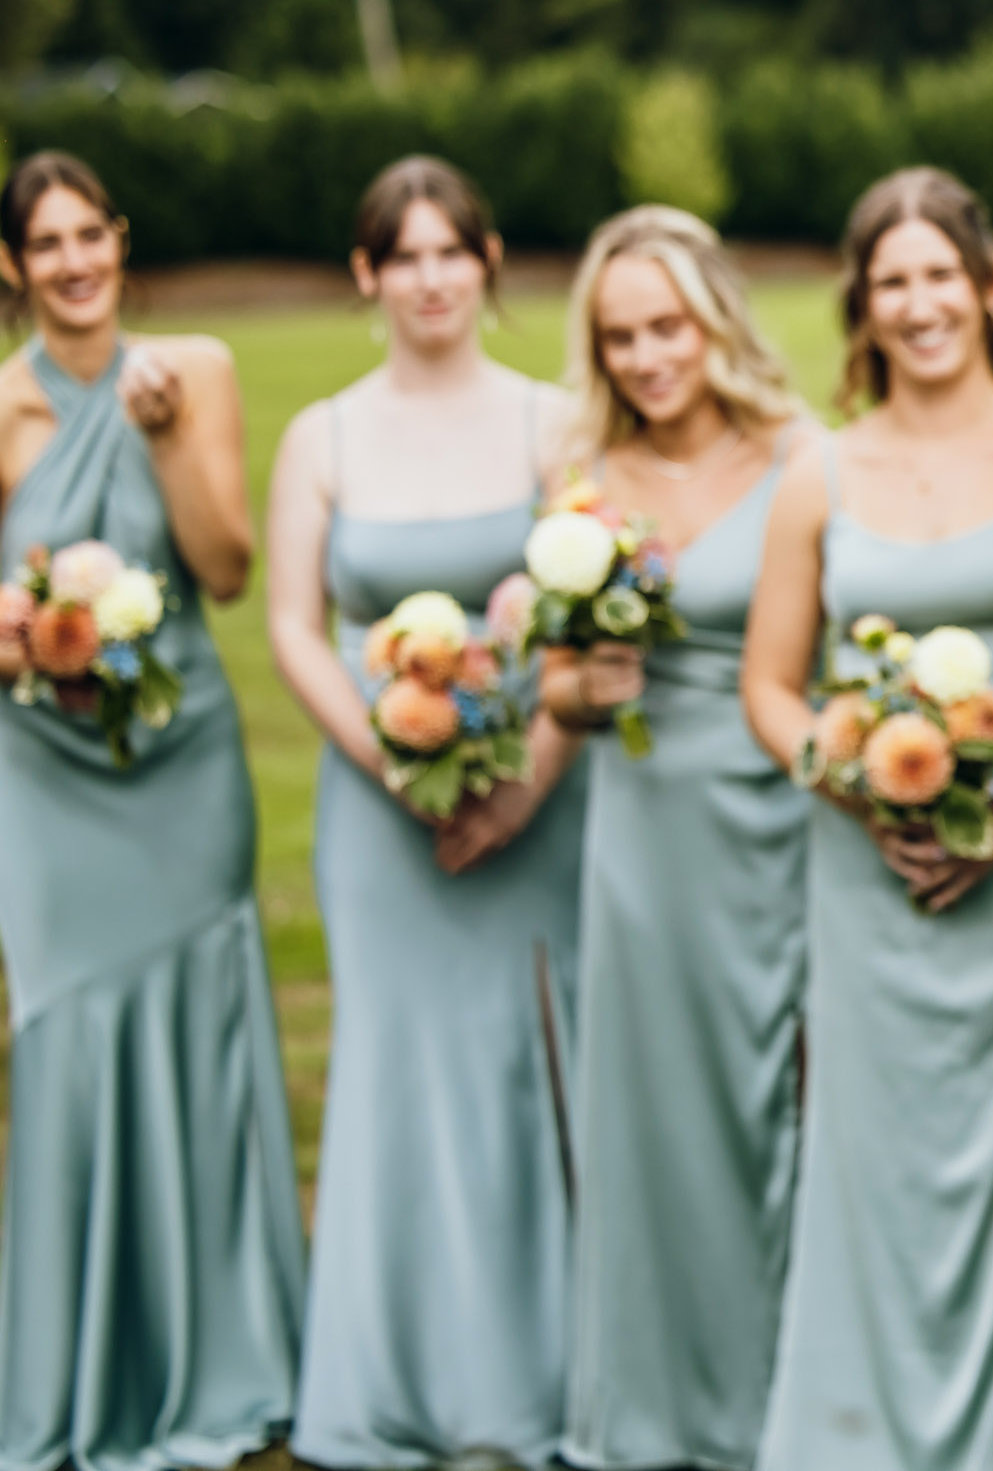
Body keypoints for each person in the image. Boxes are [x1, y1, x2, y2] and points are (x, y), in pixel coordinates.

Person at [744, 168, 993, 1471]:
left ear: (989, 288)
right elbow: (768, 684)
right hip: (869, 876)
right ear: (864, 308)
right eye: (895, 283)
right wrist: (855, 775)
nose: (923, 303)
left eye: (943, 275)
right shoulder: (817, 467)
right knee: (880, 1170)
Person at [264, 155, 588, 1467]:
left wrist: (525, 783)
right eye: (405, 255)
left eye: (453, 251)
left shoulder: (551, 421)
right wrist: (393, 767)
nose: (432, 277)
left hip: (539, 794)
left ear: (488, 261)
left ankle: (546, 1369)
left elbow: (588, 617)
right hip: (376, 800)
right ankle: (392, 1370)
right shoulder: (324, 434)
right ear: (367, 275)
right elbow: (291, 623)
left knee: (529, 1058)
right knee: (399, 1064)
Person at [0, 150, 303, 1470]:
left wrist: (170, 434)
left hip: (183, 760)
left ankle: (224, 1352)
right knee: (62, 1032)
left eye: (91, 234)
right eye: (45, 243)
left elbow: (227, 568)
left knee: (200, 1037)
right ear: (14, 266)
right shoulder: (0, 407)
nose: (74, 262)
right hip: (47, 774)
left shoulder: (200, 370)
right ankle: (79, 1368)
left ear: (121, 241)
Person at [545, 206, 812, 1471]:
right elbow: (552, 677)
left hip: (787, 816)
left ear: (713, 319)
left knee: (795, 1103)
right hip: (646, 827)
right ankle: (662, 1403)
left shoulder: (801, 451)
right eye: (622, 337)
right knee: (658, 1114)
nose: (649, 356)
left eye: (667, 325)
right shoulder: (583, 476)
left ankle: (800, 1392)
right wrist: (568, 690)